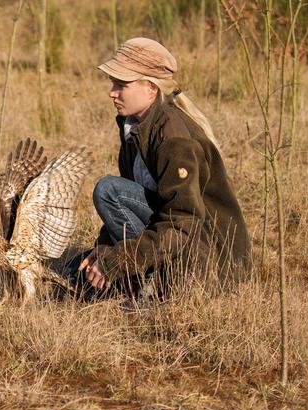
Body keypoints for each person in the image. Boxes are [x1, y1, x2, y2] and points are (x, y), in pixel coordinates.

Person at [66, 37, 251, 305]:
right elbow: (128, 212)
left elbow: (183, 223)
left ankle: (157, 288)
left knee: (108, 190)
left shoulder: (174, 137)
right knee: (76, 273)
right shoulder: (135, 128)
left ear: (150, 89)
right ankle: (140, 281)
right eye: (112, 83)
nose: (112, 92)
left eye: (122, 84)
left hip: (208, 263)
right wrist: (104, 249)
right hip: (170, 241)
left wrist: (119, 261)